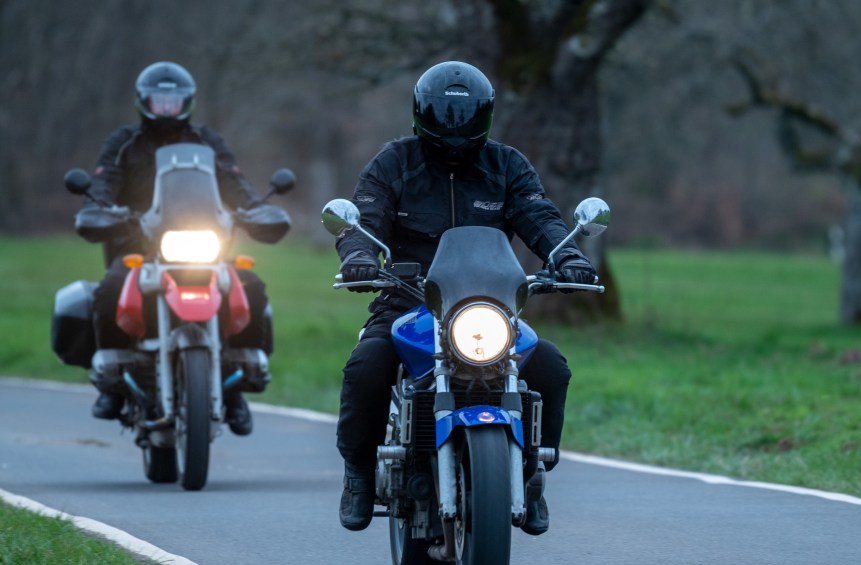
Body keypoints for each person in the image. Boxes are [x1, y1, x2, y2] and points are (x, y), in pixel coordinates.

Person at [334, 61, 598, 535]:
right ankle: (358, 474)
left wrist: (568, 256)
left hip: (488, 307)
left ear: (484, 115)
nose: (454, 128)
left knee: (551, 367)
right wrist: (359, 255)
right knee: (367, 366)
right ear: (422, 113)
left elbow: (540, 218)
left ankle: (533, 474)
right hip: (408, 302)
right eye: (443, 116)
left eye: (465, 116)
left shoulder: (507, 165)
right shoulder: (394, 162)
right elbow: (366, 218)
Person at [78, 61, 273, 435]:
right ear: (143, 102)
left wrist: (256, 207)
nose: (167, 108)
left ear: (188, 102)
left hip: (206, 245)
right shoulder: (124, 144)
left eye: (174, 101)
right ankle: (113, 385)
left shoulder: (207, 142)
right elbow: (104, 185)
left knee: (252, 287)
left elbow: (236, 184)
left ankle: (235, 388)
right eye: (159, 100)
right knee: (109, 291)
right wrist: (97, 208)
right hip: (141, 248)